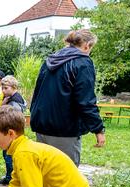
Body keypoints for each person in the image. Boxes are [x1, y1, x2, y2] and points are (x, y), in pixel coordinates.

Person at [30, 29, 105, 166]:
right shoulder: (82, 62)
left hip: (41, 124)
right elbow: (85, 101)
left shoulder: (50, 60)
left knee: (45, 172)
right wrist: (98, 129)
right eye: (91, 48)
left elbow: (37, 93)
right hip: (64, 129)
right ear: (87, 45)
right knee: (66, 175)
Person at [0, 75, 27, 185]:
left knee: (8, 155)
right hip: (14, 132)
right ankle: (11, 175)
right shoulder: (12, 98)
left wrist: (2, 107)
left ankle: (10, 178)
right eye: (3, 88)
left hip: (11, 132)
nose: (3, 90)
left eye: (6, 88)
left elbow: (11, 117)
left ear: (14, 87)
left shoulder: (15, 101)